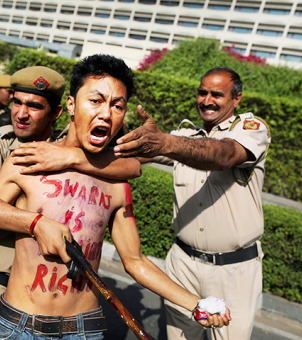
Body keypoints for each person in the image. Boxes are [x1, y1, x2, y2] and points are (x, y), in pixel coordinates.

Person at [0, 56, 230, 339]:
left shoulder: (117, 181)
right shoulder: (27, 160)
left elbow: (135, 261)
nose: (106, 113)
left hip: (84, 329)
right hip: (15, 325)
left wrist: (196, 303)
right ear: (73, 106)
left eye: (118, 106)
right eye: (96, 101)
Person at [0, 65, 142, 340]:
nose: (22, 114)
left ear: (58, 112)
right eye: (16, 103)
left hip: (53, 305)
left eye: (34, 106)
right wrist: (35, 223)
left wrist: (72, 158)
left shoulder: (71, 148)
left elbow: (131, 165)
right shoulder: (0, 144)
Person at [113, 66, 271, 339]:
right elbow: (133, 158)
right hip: (182, 263)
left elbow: (222, 155)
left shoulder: (252, 130)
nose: (207, 100)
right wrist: (119, 131)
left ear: (237, 98)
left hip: (233, 271)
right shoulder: (184, 137)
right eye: (202, 92)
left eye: (217, 94)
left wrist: (165, 142)